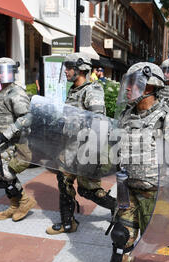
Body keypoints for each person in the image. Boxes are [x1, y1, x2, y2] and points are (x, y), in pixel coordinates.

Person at [99, 62, 169, 262]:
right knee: (122, 236)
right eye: (128, 83)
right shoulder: (124, 116)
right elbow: (114, 148)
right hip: (127, 188)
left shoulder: (168, 118)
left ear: (150, 86)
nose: (129, 88)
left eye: (134, 84)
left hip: (156, 192)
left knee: (167, 234)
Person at [46, 52, 116, 235]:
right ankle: (68, 223)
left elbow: (99, 121)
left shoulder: (91, 90)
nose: (66, 71)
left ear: (81, 69)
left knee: (87, 190)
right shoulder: (74, 90)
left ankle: (117, 207)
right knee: (64, 182)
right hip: (70, 148)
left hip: (86, 149)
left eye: (69, 68)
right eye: (66, 68)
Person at [0, 57, 37, 221]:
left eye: (4, 71)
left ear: (12, 72)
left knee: (5, 174)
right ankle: (15, 205)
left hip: (14, 142)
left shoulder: (16, 92)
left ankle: (24, 201)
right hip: (2, 142)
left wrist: (4, 135)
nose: (1, 75)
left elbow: (27, 118)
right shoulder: (2, 92)